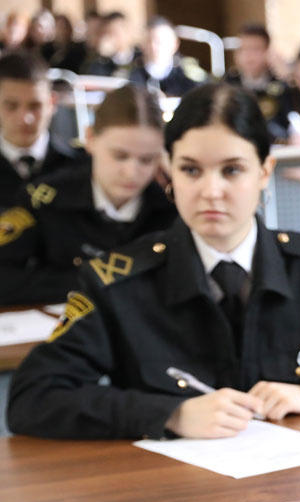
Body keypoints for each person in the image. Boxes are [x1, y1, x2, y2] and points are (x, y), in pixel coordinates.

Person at [8, 84, 300, 440]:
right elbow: (32, 398)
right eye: (191, 170)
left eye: (232, 170)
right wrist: (170, 413)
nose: (210, 191)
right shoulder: (118, 284)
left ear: (264, 172)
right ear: (169, 174)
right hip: (173, 501)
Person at [0, 84, 177, 305]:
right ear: (90, 138)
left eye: (147, 159)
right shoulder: (46, 198)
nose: (132, 173)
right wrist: (89, 282)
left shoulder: (172, 205)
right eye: (120, 156)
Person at [0, 51, 87, 208]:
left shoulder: (77, 165)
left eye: (35, 106)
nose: (25, 118)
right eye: (11, 106)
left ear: (52, 103)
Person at [126, 16, 207, 97]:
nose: (154, 47)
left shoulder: (187, 73)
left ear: (175, 44)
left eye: (160, 42)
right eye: (149, 41)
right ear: (142, 44)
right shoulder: (130, 72)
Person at [81, 12, 137, 78]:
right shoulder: (103, 61)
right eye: (109, 33)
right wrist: (100, 57)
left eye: (115, 32)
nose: (112, 37)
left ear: (127, 31)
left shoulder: (140, 57)